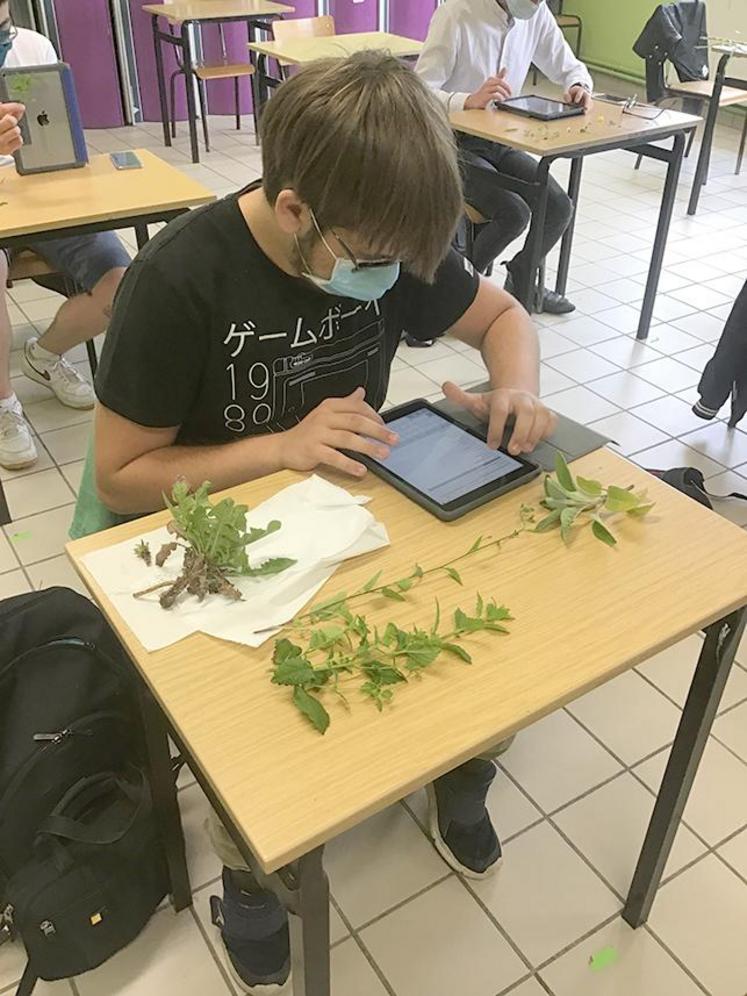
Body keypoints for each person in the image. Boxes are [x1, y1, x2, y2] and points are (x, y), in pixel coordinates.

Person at [77, 52, 557, 994]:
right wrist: (280, 448)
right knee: (261, 716)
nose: (388, 282)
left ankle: (463, 765)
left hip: (335, 502)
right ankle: (252, 869)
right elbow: (123, 477)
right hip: (205, 524)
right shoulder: (179, 280)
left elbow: (504, 317)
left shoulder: (383, 230)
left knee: (490, 616)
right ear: (293, 209)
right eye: (374, 262)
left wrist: (517, 388)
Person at [0, 2, 130, 471]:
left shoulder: (33, 48)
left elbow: (61, 136)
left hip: (41, 195)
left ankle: (45, 356)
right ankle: (4, 407)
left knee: (122, 281)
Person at [416, 0, 594, 314]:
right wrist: (466, 100)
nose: (536, 3)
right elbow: (419, 90)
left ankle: (522, 279)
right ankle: (450, 294)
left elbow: (568, 66)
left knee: (558, 206)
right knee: (513, 213)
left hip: (498, 139)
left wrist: (578, 85)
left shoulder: (535, 14)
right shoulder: (456, 12)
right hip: (449, 143)